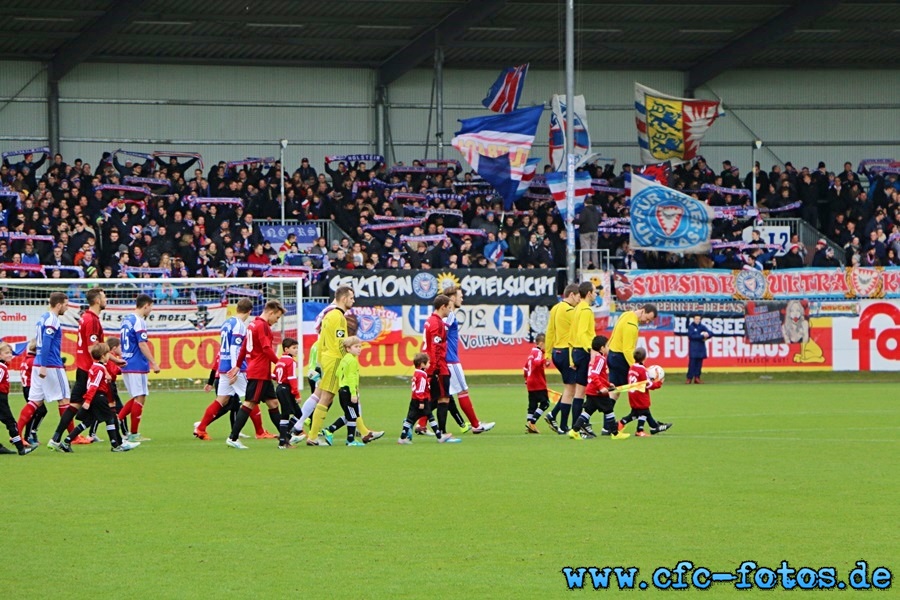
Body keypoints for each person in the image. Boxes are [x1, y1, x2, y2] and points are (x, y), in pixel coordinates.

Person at [193, 299, 276, 441]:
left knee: (222, 399)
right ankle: (260, 432)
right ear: (250, 311)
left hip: (223, 365)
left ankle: (201, 428)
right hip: (235, 367)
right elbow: (235, 348)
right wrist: (235, 368)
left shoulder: (227, 322)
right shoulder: (239, 326)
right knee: (251, 399)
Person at [50, 343, 140, 453]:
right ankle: (115, 445)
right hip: (99, 397)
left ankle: (66, 441)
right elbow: (94, 385)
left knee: (88, 421)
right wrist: (88, 401)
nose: (109, 357)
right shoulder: (100, 369)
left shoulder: (95, 366)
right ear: (103, 356)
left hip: (95, 397)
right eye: (107, 354)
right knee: (110, 418)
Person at [225, 300, 288, 449]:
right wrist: (280, 363)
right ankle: (233, 438)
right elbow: (266, 349)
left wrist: (237, 366)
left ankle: (286, 437)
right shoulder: (263, 326)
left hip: (260, 371)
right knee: (249, 403)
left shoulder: (252, 324)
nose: (276, 321)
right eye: (277, 318)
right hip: (259, 371)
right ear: (271, 313)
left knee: (273, 403)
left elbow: (243, 349)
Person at [49, 287, 107, 447]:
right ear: (97, 301)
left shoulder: (86, 318)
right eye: (104, 297)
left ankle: (57, 439)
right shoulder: (91, 320)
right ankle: (120, 441)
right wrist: (106, 366)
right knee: (108, 406)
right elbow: (92, 349)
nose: (106, 299)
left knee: (75, 405)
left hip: (84, 369)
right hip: (90, 370)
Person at [302, 286, 355, 446]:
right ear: (344, 298)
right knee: (326, 398)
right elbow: (341, 342)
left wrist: (319, 362)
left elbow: (322, 341)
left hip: (327, 359)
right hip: (335, 360)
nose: (353, 301)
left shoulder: (328, 315)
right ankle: (312, 436)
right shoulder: (339, 317)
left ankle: (311, 433)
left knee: (324, 396)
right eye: (351, 298)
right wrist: (350, 349)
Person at [17, 292, 71, 442]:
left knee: (34, 401)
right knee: (65, 400)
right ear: (59, 305)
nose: (67, 308)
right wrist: (44, 365)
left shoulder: (43, 318)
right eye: (66, 305)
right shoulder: (52, 320)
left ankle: (17, 435)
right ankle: (74, 436)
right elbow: (46, 342)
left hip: (38, 363)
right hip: (51, 365)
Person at [441, 286, 494, 434]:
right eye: (460, 296)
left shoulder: (445, 315)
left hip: (446, 359)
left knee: (441, 395)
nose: (462, 298)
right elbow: (441, 334)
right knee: (462, 391)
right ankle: (476, 425)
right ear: (452, 298)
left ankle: (420, 423)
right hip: (450, 360)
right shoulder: (449, 315)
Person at [567, 335, 629, 440]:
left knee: (587, 412)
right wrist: (601, 388)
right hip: (596, 391)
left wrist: (608, 384)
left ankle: (574, 431)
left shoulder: (597, 358)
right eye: (607, 346)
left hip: (591, 390)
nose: (609, 348)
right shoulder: (600, 359)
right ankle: (615, 433)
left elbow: (600, 375)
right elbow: (594, 375)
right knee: (609, 409)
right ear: (602, 348)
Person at [117, 294, 160, 443]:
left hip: (126, 361)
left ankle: (117, 423)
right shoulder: (139, 321)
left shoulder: (127, 319)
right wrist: (153, 362)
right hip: (136, 363)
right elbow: (142, 344)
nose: (151, 310)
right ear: (146, 305)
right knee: (140, 396)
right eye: (151, 307)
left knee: (137, 397)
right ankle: (132, 433)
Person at [422, 294, 462, 444]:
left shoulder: (429, 321)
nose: (450, 311)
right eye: (449, 308)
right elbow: (436, 348)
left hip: (433, 365)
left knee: (432, 399)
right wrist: (436, 368)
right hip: (439, 366)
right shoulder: (437, 323)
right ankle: (443, 433)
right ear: (443, 307)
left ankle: (408, 426)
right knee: (443, 398)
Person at [542, 284, 580, 433]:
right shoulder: (570, 311)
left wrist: (547, 353)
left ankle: (554, 415)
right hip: (566, 352)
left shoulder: (556, 308)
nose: (578, 300)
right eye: (578, 297)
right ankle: (563, 424)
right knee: (571, 390)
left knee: (570, 388)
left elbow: (550, 332)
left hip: (557, 352)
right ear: (571, 295)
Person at [618, 348, 672, 436]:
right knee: (644, 410)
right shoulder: (642, 370)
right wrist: (658, 383)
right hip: (640, 394)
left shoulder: (632, 367)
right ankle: (642, 430)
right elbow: (648, 384)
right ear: (645, 358)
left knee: (636, 412)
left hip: (632, 393)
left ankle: (621, 424)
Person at [607, 303, 657, 392]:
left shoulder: (626, 314)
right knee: (637, 387)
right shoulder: (632, 325)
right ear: (643, 310)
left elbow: (613, 334)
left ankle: (602, 405)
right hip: (620, 358)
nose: (647, 322)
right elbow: (627, 350)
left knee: (614, 390)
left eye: (649, 321)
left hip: (612, 355)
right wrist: (636, 366)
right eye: (647, 319)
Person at [568, 281, 597, 432]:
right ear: (589, 293)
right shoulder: (585, 310)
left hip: (577, 351)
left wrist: (572, 357)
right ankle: (579, 426)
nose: (596, 294)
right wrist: (591, 350)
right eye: (595, 291)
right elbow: (582, 333)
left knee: (579, 391)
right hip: (583, 351)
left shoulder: (577, 308)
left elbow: (573, 334)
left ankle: (577, 426)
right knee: (582, 391)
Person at [398, 353, 443, 444]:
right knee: (430, 417)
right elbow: (420, 389)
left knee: (410, 419)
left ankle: (402, 438)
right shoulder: (422, 375)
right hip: (421, 400)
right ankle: (439, 436)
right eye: (428, 363)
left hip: (414, 399)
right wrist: (422, 401)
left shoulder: (416, 373)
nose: (429, 364)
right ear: (422, 364)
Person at [0, 343, 34, 455]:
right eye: (6, 353)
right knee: (11, 423)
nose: (10, 355)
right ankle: (21, 448)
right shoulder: (2, 367)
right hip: (1, 399)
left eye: (10, 352)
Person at [273, 337, 303, 444]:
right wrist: (297, 394)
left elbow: (273, 375)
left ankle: (285, 435)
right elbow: (291, 378)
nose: (296, 350)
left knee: (295, 413)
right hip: (286, 389)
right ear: (286, 350)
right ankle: (283, 440)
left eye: (297, 348)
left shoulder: (280, 361)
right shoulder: (291, 361)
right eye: (294, 348)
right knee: (288, 414)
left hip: (280, 388)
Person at [523, 333, 549, 434]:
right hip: (538, 382)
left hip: (530, 382)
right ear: (541, 343)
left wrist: (526, 379)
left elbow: (525, 368)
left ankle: (529, 424)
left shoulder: (531, 353)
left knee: (532, 405)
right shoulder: (538, 352)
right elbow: (537, 362)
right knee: (545, 403)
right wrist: (545, 361)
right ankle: (532, 422)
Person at [686, 314, 712, 384]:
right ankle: (689, 378)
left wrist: (707, 336)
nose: (697, 320)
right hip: (693, 349)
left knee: (699, 365)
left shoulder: (702, 327)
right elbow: (691, 336)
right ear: (694, 319)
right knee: (692, 365)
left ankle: (697, 378)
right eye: (696, 319)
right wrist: (701, 336)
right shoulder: (691, 327)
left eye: (699, 319)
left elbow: (710, 333)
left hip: (701, 349)